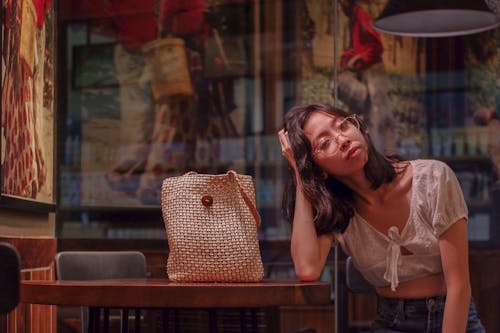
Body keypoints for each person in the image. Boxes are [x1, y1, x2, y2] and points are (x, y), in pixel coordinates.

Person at [277, 103, 485, 332]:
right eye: (325, 143)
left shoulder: (433, 178)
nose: (343, 139)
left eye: (343, 125)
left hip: (454, 318)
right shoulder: (341, 213)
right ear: (318, 170)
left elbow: (459, 285)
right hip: (391, 323)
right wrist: (300, 173)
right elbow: (307, 269)